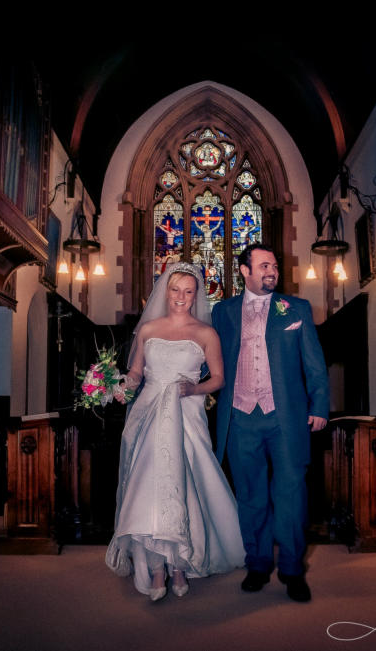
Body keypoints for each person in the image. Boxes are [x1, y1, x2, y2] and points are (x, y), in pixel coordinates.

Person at [106, 262, 245, 601]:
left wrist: (192, 390)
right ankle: (157, 568)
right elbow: (136, 373)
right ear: (164, 291)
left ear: (197, 295)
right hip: (150, 412)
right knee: (150, 486)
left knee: (184, 482)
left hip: (186, 412)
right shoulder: (149, 329)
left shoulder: (205, 333)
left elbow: (218, 379)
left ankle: (181, 563)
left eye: (188, 291)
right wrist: (120, 386)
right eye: (175, 290)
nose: (181, 297)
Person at [211, 243, 329, 602]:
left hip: (286, 418)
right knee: (251, 495)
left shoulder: (297, 309)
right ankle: (258, 564)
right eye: (263, 266)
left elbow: (315, 364)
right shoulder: (223, 312)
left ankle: (293, 569)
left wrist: (320, 406)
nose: (271, 272)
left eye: (274, 266)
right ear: (244, 271)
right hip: (240, 417)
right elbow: (210, 361)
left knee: (291, 495)